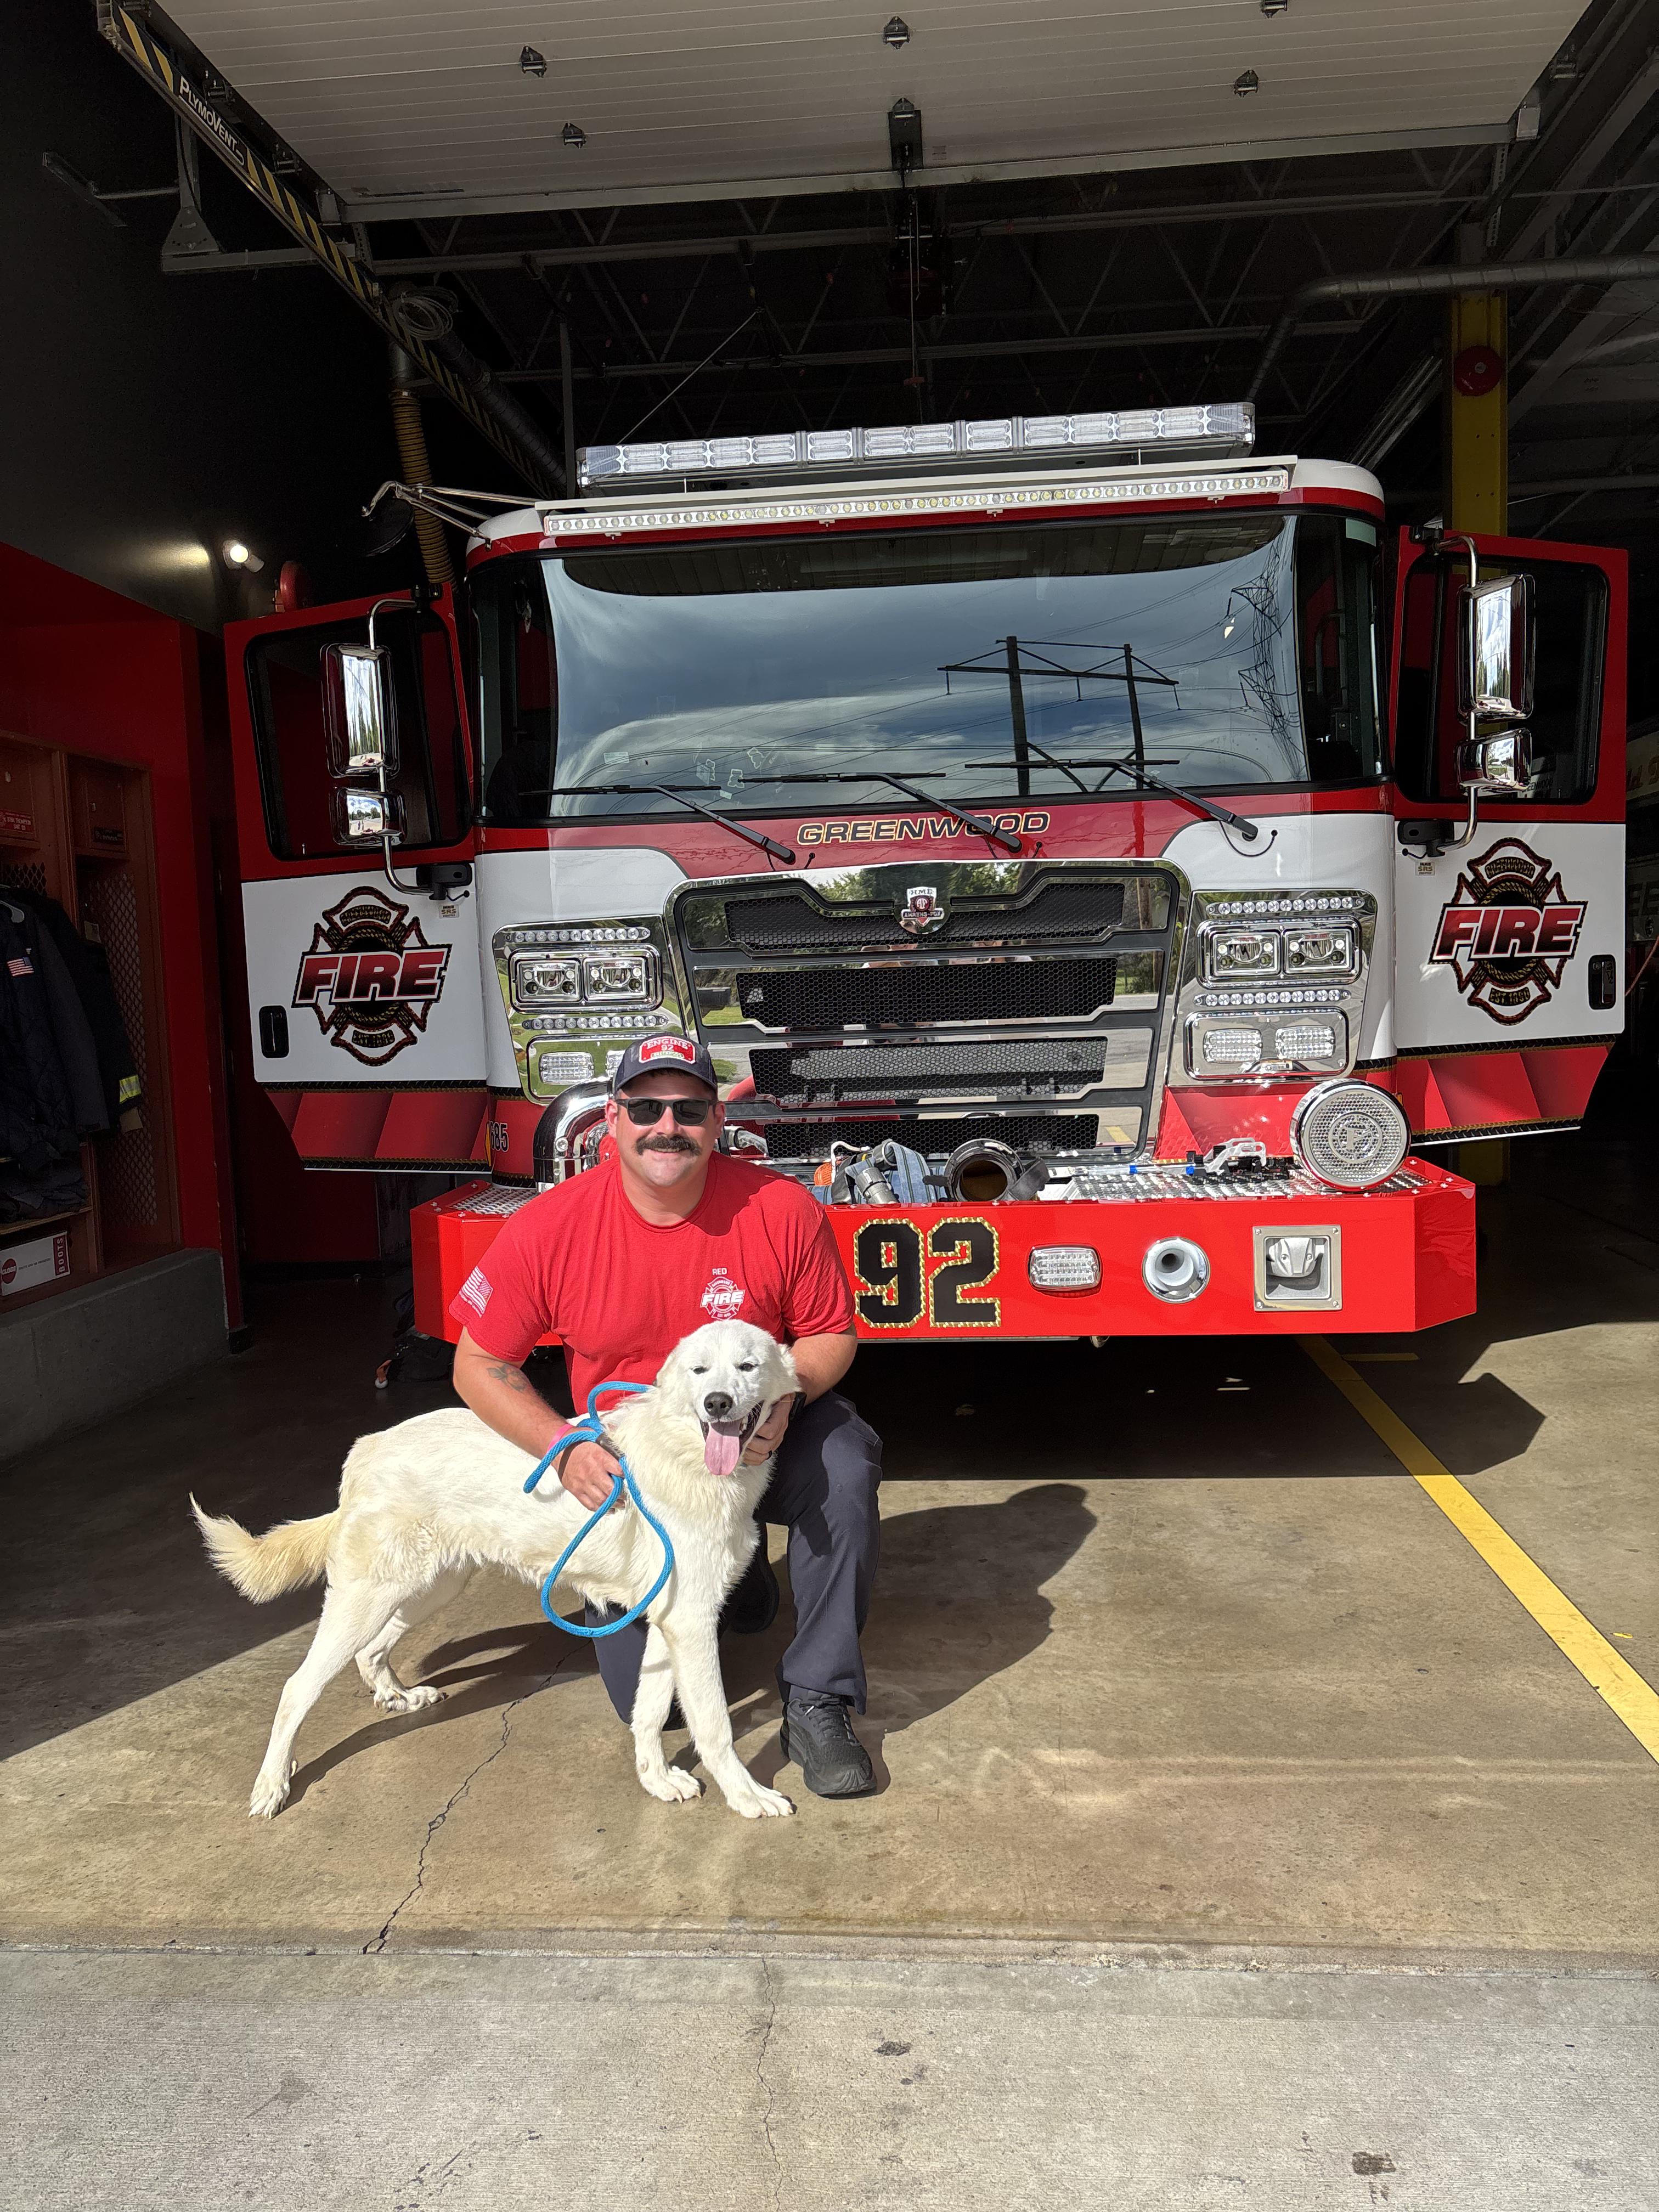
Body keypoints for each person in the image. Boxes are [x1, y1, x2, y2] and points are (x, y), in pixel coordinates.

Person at [449, 1032, 881, 1797]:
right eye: (645, 1106)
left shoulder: (780, 1208)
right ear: (611, 1120)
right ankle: (735, 1581)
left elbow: (828, 1333)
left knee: (845, 1459)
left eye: (688, 1109)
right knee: (658, 1707)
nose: (666, 1125)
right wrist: (562, 1449)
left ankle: (819, 1697)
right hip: (636, 1469)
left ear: (717, 1123)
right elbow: (477, 1363)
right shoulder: (551, 1226)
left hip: (753, 1436)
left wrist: (787, 1397)